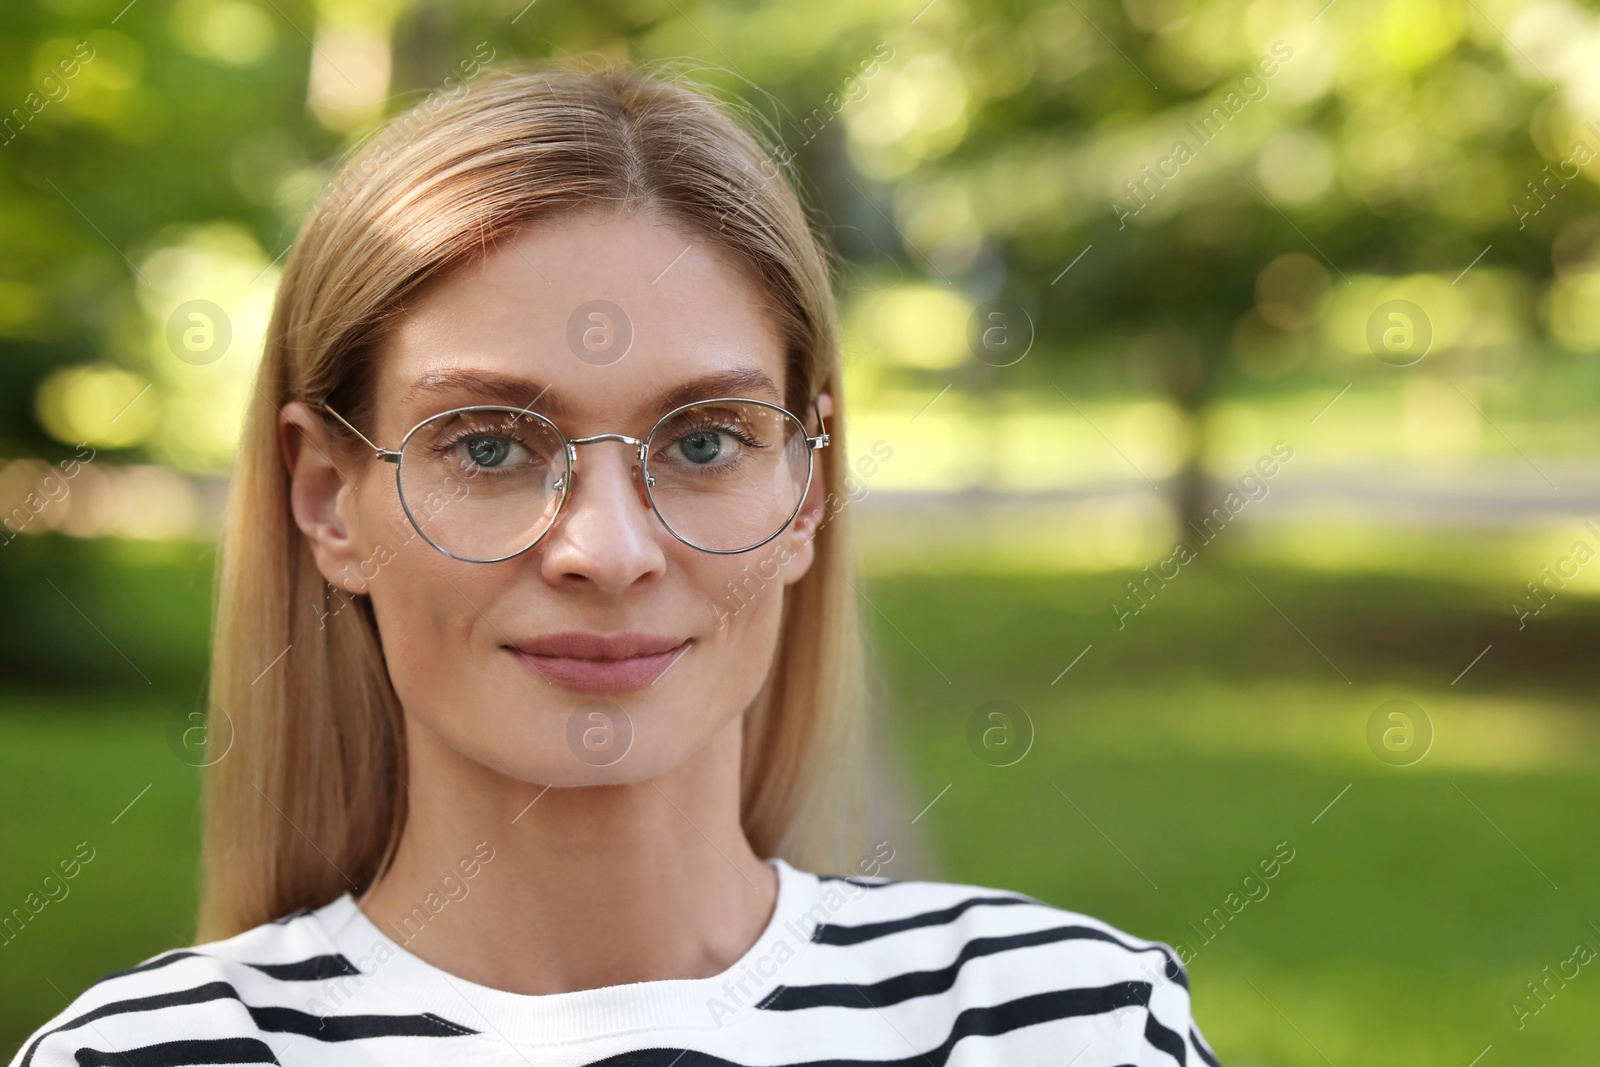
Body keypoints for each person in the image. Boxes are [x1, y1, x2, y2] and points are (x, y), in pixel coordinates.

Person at [11, 64, 1218, 1066]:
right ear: (328, 497)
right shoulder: (136, 1055)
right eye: (486, 444)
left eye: (703, 440)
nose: (608, 549)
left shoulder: (1065, 1022)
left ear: (806, 486)